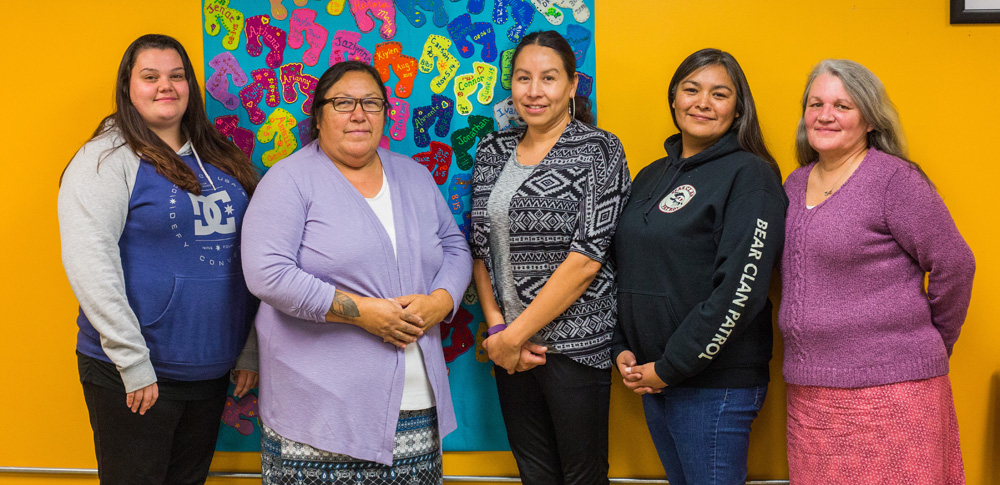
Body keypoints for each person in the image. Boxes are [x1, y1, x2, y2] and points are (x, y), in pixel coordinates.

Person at [241, 60, 472, 485]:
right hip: (316, 415)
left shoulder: (415, 176)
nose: (359, 114)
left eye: (371, 103)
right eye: (343, 102)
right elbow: (267, 272)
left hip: (416, 407)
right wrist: (361, 312)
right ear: (318, 115)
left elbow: (456, 247)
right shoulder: (289, 180)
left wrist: (441, 302)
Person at [58, 34, 260, 484]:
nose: (165, 86)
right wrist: (133, 363)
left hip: (210, 370)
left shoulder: (222, 158)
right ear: (128, 87)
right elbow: (91, 265)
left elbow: (254, 261)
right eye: (150, 77)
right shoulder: (105, 160)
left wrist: (249, 347)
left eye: (177, 76)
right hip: (136, 374)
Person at [779, 59, 975, 483]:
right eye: (816, 104)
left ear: (869, 119)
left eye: (842, 106)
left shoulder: (894, 180)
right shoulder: (793, 185)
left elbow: (955, 263)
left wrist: (933, 340)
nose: (825, 115)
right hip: (811, 396)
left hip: (894, 390)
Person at [610, 48, 786, 485]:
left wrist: (671, 367)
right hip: (654, 379)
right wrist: (621, 347)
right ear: (674, 99)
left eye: (719, 94)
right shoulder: (651, 175)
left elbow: (740, 289)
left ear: (738, 108)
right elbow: (622, 268)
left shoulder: (751, 175)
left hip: (714, 385)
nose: (702, 102)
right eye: (691, 89)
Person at [470, 30, 631, 484]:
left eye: (548, 78)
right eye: (523, 79)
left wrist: (512, 336)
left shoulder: (599, 150)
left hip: (574, 345)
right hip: (508, 346)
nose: (534, 91)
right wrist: (499, 329)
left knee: (582, 476)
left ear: (572, 86)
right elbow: (480, 248)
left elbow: (586, 259)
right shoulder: (492, 151)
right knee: (535, 475)